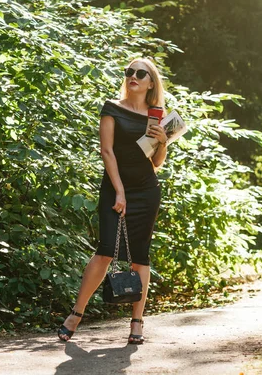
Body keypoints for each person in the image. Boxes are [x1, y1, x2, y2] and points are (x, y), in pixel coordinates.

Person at [57, 57, 168, 344]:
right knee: (106, 250)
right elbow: (107, 151)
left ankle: (137, 323)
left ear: (150, 82)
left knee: (140, 255)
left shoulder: (156, 115)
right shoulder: (112, 108)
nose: (133, 76)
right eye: (129, 72)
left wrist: (163, 142)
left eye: (140, 73)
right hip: (114, 188)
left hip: (146, 190)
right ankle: (76, 314)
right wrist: (119, 191)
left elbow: (155, 163)